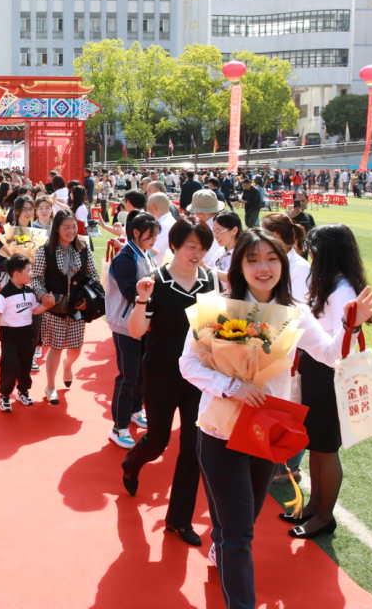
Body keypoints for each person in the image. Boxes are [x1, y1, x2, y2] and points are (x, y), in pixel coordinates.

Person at [181, 228, 372, 609]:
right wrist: (232, 386)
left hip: (265, 433)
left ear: (283, 264)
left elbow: (330, 355)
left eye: (271, 259)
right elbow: (188, 364)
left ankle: (222, 545)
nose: (263, 267)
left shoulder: (296, 312)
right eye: (253, 259)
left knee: (242, 521)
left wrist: (350, 326)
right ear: (239, 265)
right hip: (219, 431)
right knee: (240, 534)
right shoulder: (217, 307)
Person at [120, 217, 217, 547]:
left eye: (203, 248)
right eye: (192, 246)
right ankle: (132, 462)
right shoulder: (155, 281)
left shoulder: (210, 281)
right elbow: (136, 331)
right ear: (174, 246)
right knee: (158, 440)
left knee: (193, 448)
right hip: (161, 374)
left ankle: (178, 519)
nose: (197, 253)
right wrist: (142, 299)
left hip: (199, 378)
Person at [287, 224, 372, 538]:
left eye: (312, 250)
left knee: (326, 448)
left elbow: (342, 346)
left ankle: (325, 516)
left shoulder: (341, 291)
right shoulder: (332, 284)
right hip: (317, 370)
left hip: (329, 374)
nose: (309, 256)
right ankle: (315, 505)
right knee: (316, 444)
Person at [29, 208, 98, 405]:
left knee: (76, 348)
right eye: (66, 227)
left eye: (74, 226)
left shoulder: (83, 248)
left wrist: (87, 298)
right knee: (56, 347)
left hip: (77, 307)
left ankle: (68, 366)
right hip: (54, 308)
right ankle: (50, 386)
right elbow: (36, 278)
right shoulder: (45, 250)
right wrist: (42, 295)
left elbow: (93, 275)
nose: (71, 231)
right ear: (57, 229)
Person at [104, 211, 159, 448]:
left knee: (141, 373)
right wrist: (152, 294)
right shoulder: (125, 257)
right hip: (125, 325)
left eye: (156, 235)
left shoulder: (145, 253)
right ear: (136, 233)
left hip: (143, 322)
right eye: (150, 235)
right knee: (127, 376)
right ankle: (119, 427)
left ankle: (136, 409)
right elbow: (129, 292)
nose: (154, 239)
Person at [0, 253, 49, 411]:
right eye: (28, 271)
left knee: (25, 366)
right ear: (16, 274)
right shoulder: (4, 294)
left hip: (26, 336)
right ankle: (4, 395)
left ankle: (23, 391)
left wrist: (47, 305)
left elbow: (35, 310)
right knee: (9, 366)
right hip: (9, 337)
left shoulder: (30, 292)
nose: (31, 274)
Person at [146, 193, 176, 265]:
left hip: (159, 267)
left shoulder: (163, 226)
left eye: (147, 207)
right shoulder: (169, 222)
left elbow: (151, 252)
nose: (146, 210)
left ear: (154, 208)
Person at [210, 211, 242, 278]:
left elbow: (235, 279)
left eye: (218, 231)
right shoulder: (221, 250)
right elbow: (209, 266)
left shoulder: (242, 253)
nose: (215, 236)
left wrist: (206, 268)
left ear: (234, 230)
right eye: (214, 232)